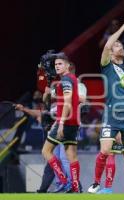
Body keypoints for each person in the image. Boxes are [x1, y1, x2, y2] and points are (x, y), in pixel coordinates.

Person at [88, 21, 124, 195]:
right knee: (105, 150)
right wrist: (121, 29)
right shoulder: (106, 64)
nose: (119, 47)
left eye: (121, 45)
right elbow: (107, 45)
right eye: (116, 45)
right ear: (111, 51)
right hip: (111, 115)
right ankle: (96, 183)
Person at [41, 54, 80, 193]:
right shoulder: (71, 79)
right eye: (56, 64)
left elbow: (68, 103)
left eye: (60, 64)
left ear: (68, 65)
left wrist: (61, 122)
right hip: (74, 122)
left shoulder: (66, 80)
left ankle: (64, 181)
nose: (57, 66)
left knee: (46, 151)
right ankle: (76, 188)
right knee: (72, 156)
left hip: (65, 121)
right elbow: (52, 98)